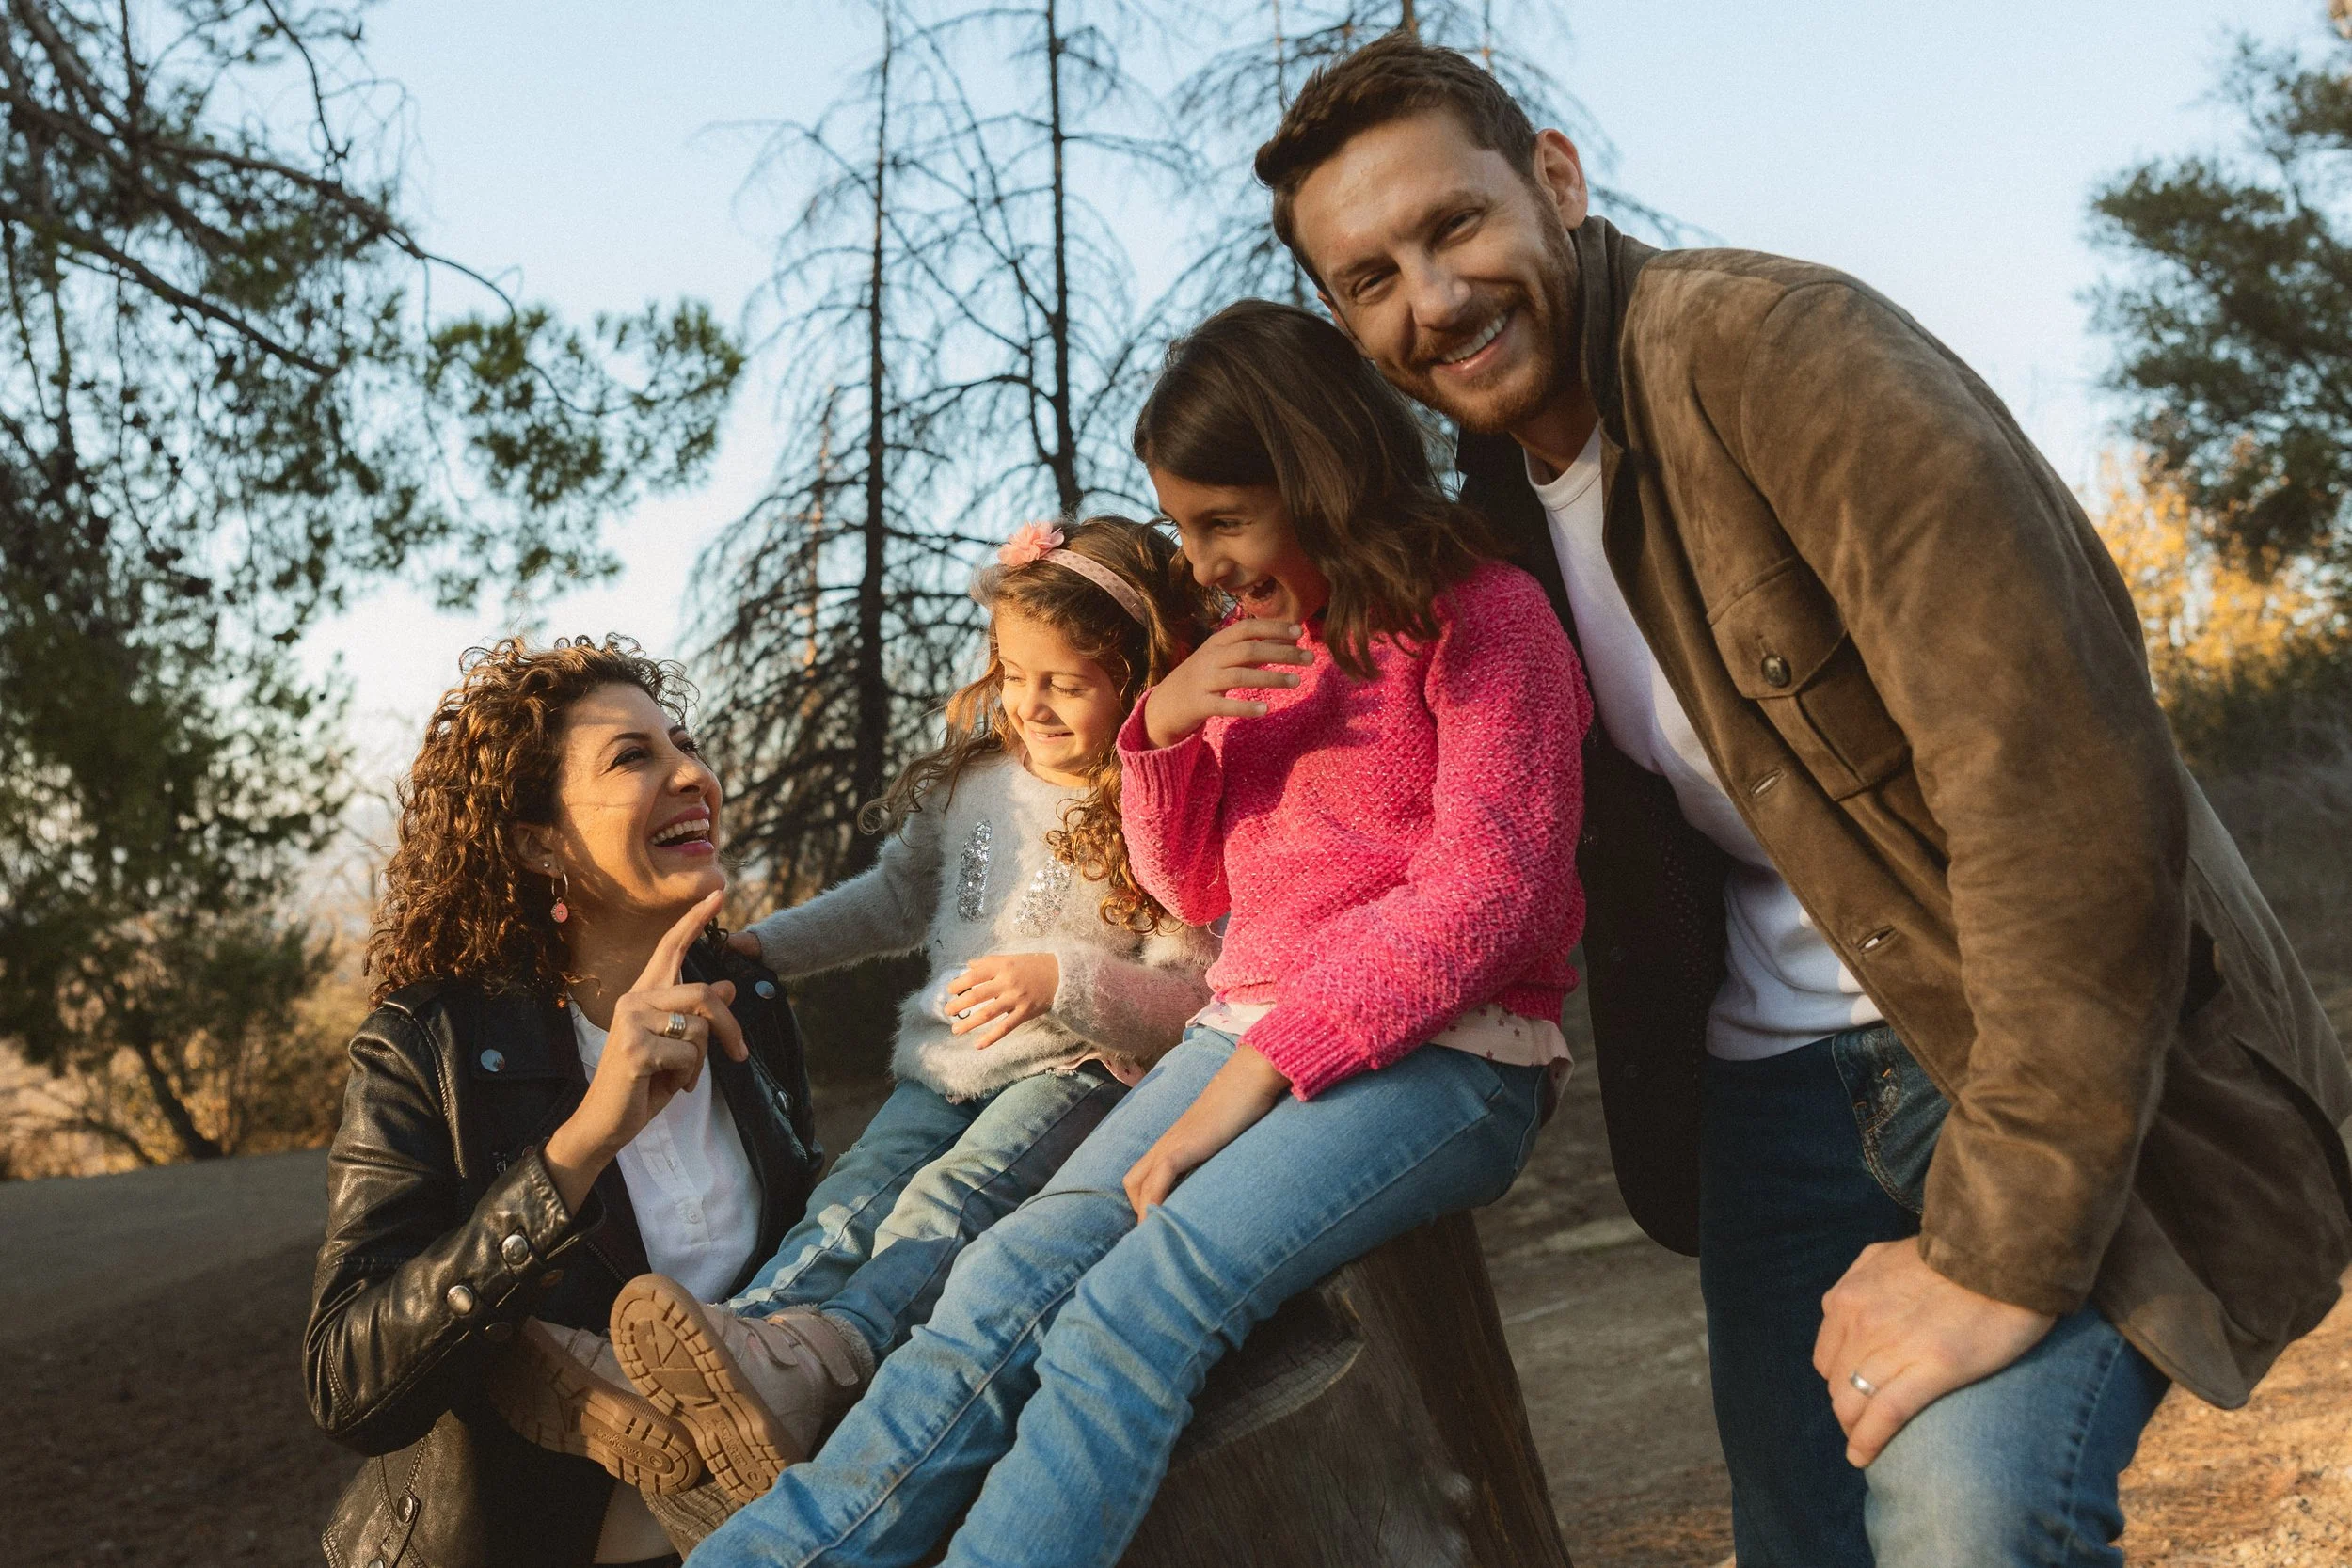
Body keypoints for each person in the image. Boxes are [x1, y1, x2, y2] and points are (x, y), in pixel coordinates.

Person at [1252, 32, 2352, 1568]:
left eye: (1452, 226)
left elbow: (2056, 784)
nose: (1429, 298)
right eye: (1368, 277)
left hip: (2010, 1047)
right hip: (1767, 1103)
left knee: (1971, 1518)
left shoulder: (1782, 357)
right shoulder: (1488, 526)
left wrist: (2001, 1242)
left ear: (1555, 181)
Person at [686, 299, 1592, 1568]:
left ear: (1322, 474)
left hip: (1445, 1051)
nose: (1203, 558)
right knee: (1001, 1281)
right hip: (1239, 1036)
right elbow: (1191, 888)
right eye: (1181, 524)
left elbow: (1492, 892)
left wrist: (1272, 1060)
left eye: (1223, 519)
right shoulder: (1246, 646)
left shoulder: (1487, 623)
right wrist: (1160, 731)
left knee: (1132, 1308)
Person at [571, 515, 1218, 1511]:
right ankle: (741, 1344)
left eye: (1067, 682)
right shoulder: (976, 786)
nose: (1030, 703)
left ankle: (822, 1363)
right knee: (858, 1188)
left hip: (1073, 1072)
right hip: (945, 1060)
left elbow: (1189, 1001)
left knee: (941, 1205)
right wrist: (766, 946)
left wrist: (1064, 981)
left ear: (1133, 677)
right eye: (1013, 673)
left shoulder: (1150, 800)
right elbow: (893, 900)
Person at [306, 637, 823, 1568]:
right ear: (538, 839)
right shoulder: (431, 1045)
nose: (692, 774)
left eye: (683, 744)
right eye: (635, 757)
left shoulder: (750, 1002)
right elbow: (347, 1380)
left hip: (752, 1524)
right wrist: (584, 1141)